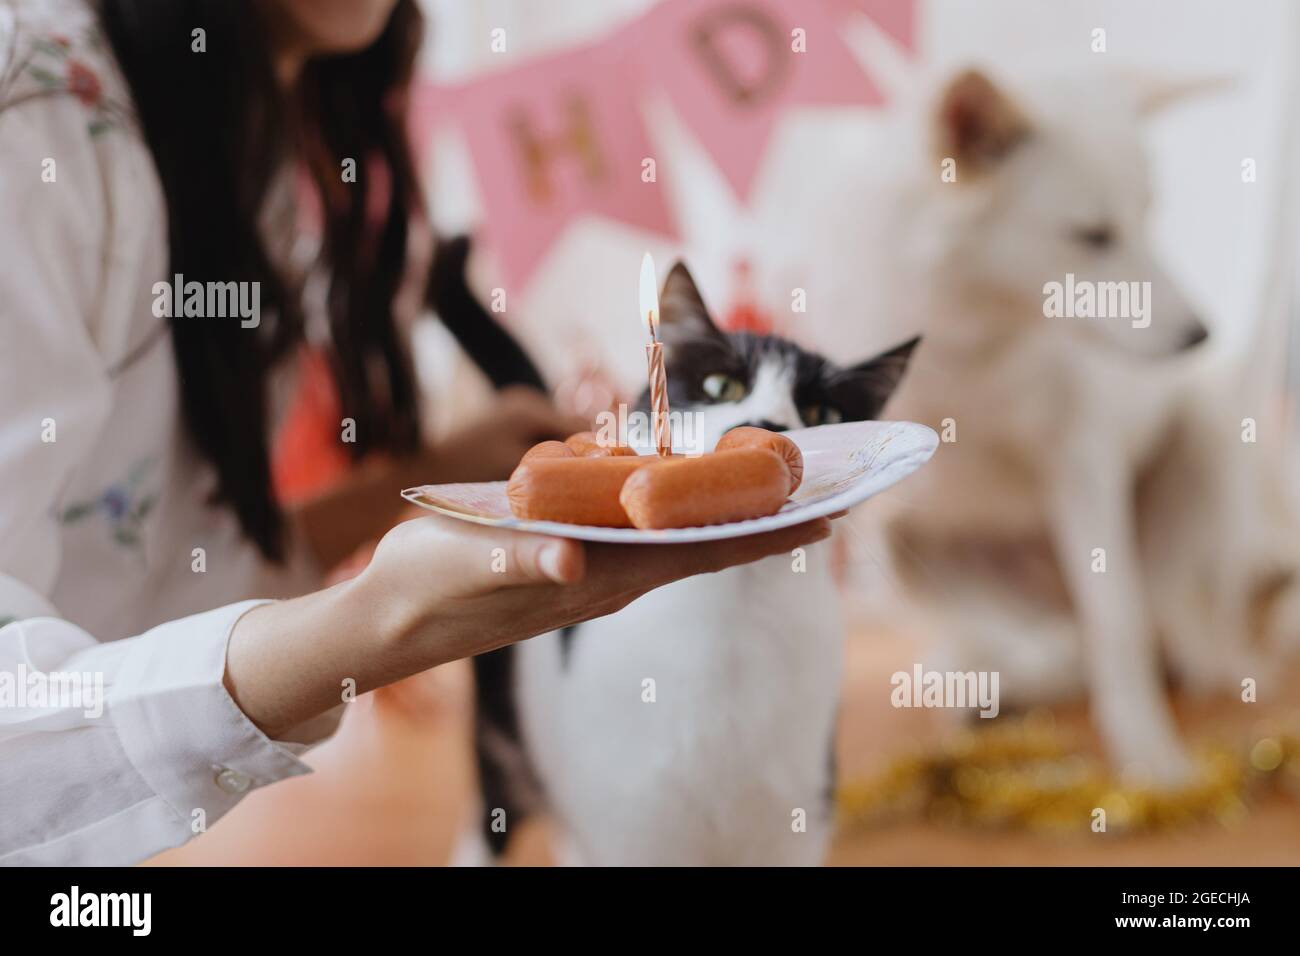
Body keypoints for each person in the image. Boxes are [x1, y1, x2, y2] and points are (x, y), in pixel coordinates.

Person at [0, 0, 831, 865]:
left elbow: (163, 576)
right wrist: (383, 619)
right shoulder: (30, 115)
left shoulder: (280, 140)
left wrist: (428, 484)